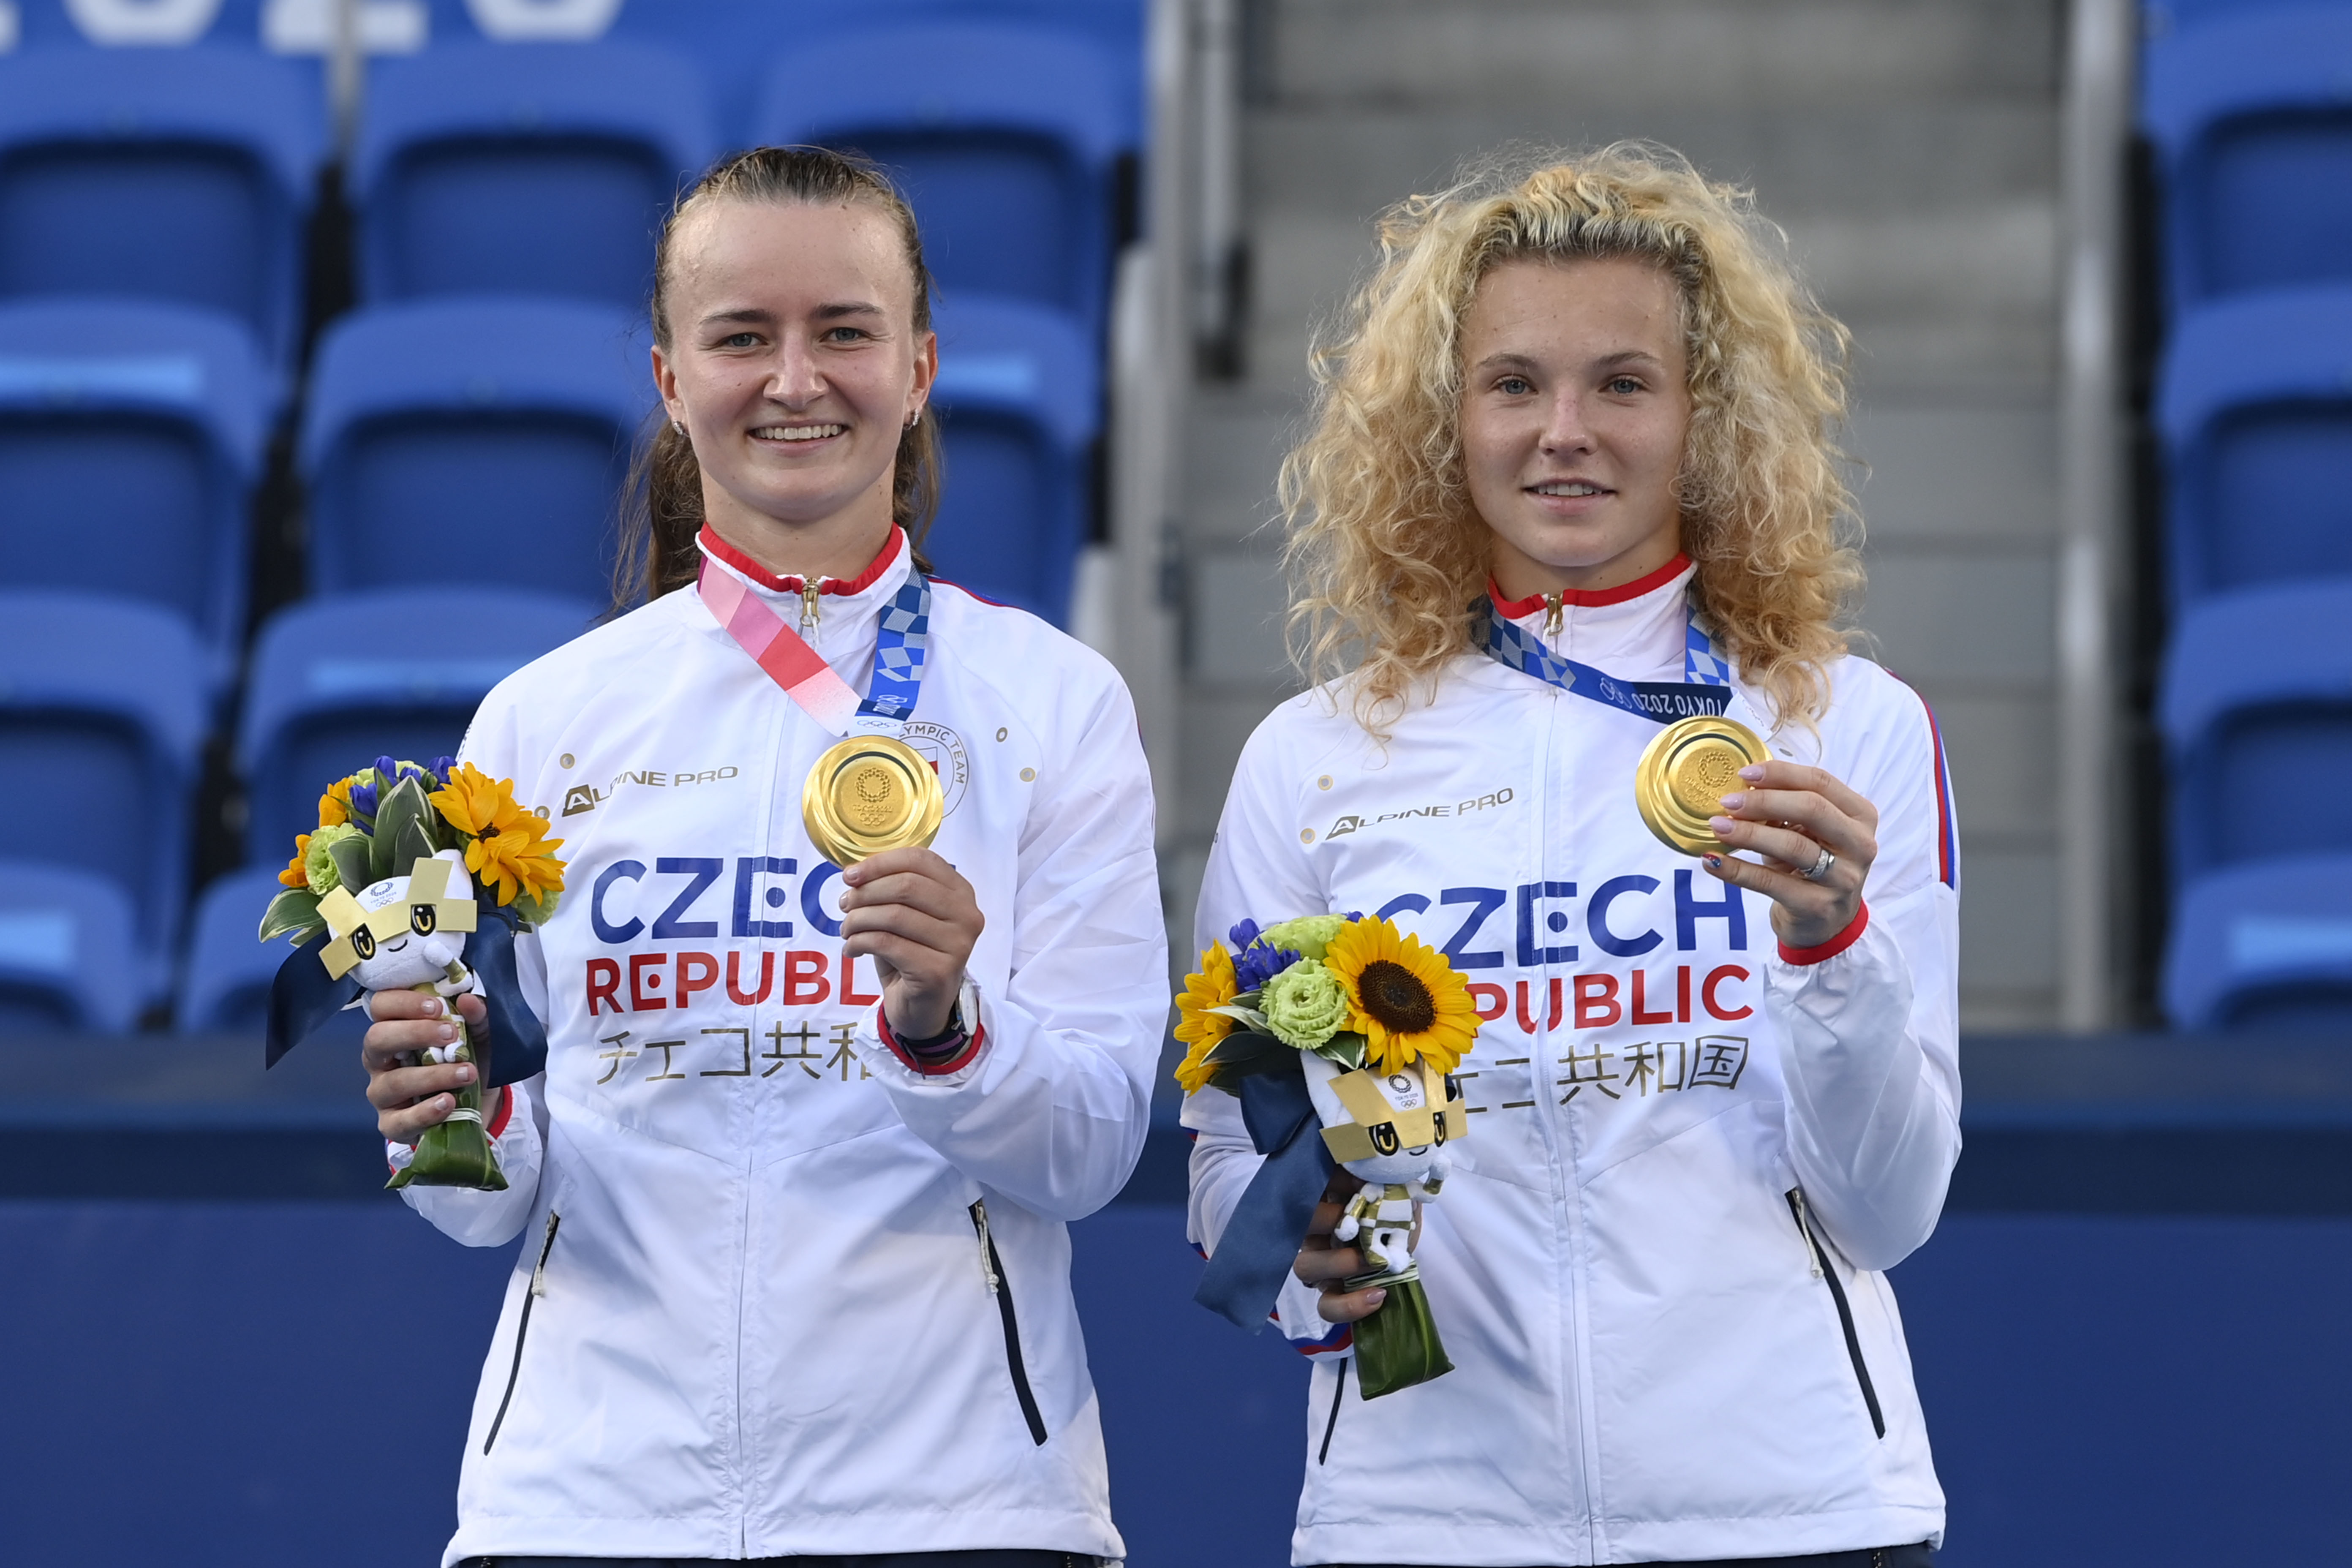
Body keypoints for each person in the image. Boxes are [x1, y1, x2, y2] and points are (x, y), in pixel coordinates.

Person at [361, 146, 1166, 1568]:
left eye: (844, 332)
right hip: (588, 1507)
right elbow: (491, 1214)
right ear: (673, 383)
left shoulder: (1054, 702)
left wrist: (949, 1029)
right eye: (743, 337)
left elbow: (1097, 1145)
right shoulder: (544, 720)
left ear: (919, 366)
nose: (797, 380)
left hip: (954, 1504)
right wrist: (455, 1118)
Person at [1184, 144, 1960, 1567]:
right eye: (1514, 384)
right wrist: (1311, 1261)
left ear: (1701, 417)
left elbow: (1892, 1207)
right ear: (1446, 418)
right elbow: (1235, 1170)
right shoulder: (1315, 757)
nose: (1566, 432)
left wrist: (1832, 952)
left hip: (1787, 1514)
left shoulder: (1842, 727)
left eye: (1623, 382)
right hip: (1423, 1522)